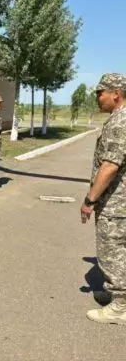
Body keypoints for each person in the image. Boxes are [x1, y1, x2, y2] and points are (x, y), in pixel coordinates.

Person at [80, 73, 126, 324]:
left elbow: (110, 166)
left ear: (116, 93)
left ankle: (120, 307)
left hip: (116, 203)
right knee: (121, 251)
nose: (98, 98)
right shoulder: (118, 119)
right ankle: (119, 298)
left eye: (101, 92)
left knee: (112, 252)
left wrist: (89, 200)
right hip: (120, 202)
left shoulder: (120, 122)